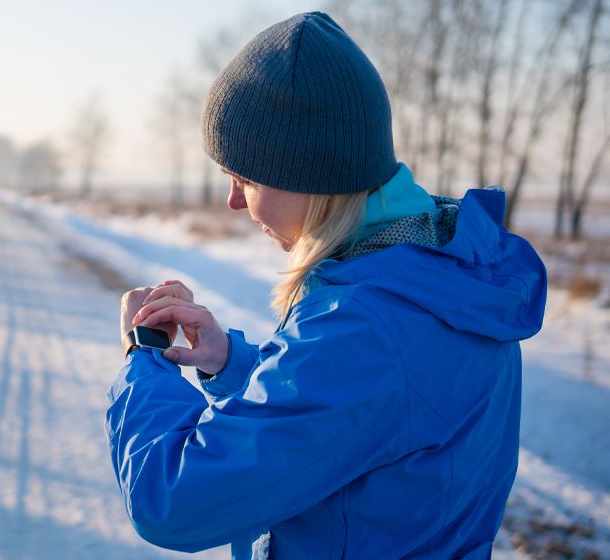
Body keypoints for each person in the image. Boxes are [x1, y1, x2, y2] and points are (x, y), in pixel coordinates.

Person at [105, 12, 547, 559]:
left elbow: (173, 502)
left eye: (246, 177)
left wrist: (140, 361)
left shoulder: (369, 323)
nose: (234, 201)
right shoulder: (440, 273)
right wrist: (231, 364)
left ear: (310, 177)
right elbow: (357, 424)